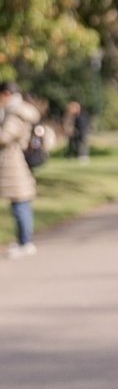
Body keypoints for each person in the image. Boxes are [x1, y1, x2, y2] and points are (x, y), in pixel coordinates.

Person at [0, 80, 41, 259]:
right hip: (15, 161)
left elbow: (5, 137)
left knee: (20, 203)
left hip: (14, 162)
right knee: (20, 203)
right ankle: (23, 240)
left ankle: (25, 242)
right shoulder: (17, 111)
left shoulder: (16, 113)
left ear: (6, 94)